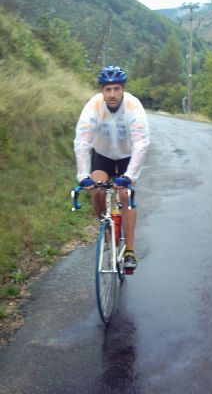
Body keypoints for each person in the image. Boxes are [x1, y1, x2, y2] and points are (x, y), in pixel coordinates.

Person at [74, 65, 150, 272]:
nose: (112, 94)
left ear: (123, 89)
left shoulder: (133, 107)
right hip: (103, 156)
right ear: (102, 91)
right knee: (98, 191)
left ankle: (129, 251)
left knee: (125, 195)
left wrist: (130, 176)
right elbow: (82, 141)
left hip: (127, 157)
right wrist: (83, 175)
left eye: (116, 89)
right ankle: (107, 231)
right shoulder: (94, 106)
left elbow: (141, 144)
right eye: (108, 89)